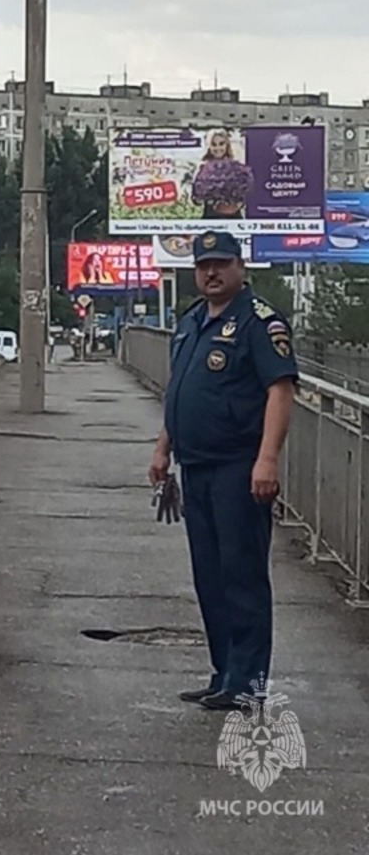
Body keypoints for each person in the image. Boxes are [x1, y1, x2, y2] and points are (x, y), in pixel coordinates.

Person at [148, 231, 298, 711]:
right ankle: (224, 674)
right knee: (209, 577)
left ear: (240, 267)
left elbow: (280, 390)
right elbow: (179, 390)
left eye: (220, 263)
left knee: (242, 575)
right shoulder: (192, 321)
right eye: (203, 265)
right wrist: (163, 447)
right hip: (195, 466)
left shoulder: (260, 321)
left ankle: (248, 683)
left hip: (239, 467)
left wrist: (267, 458)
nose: (211, 273)